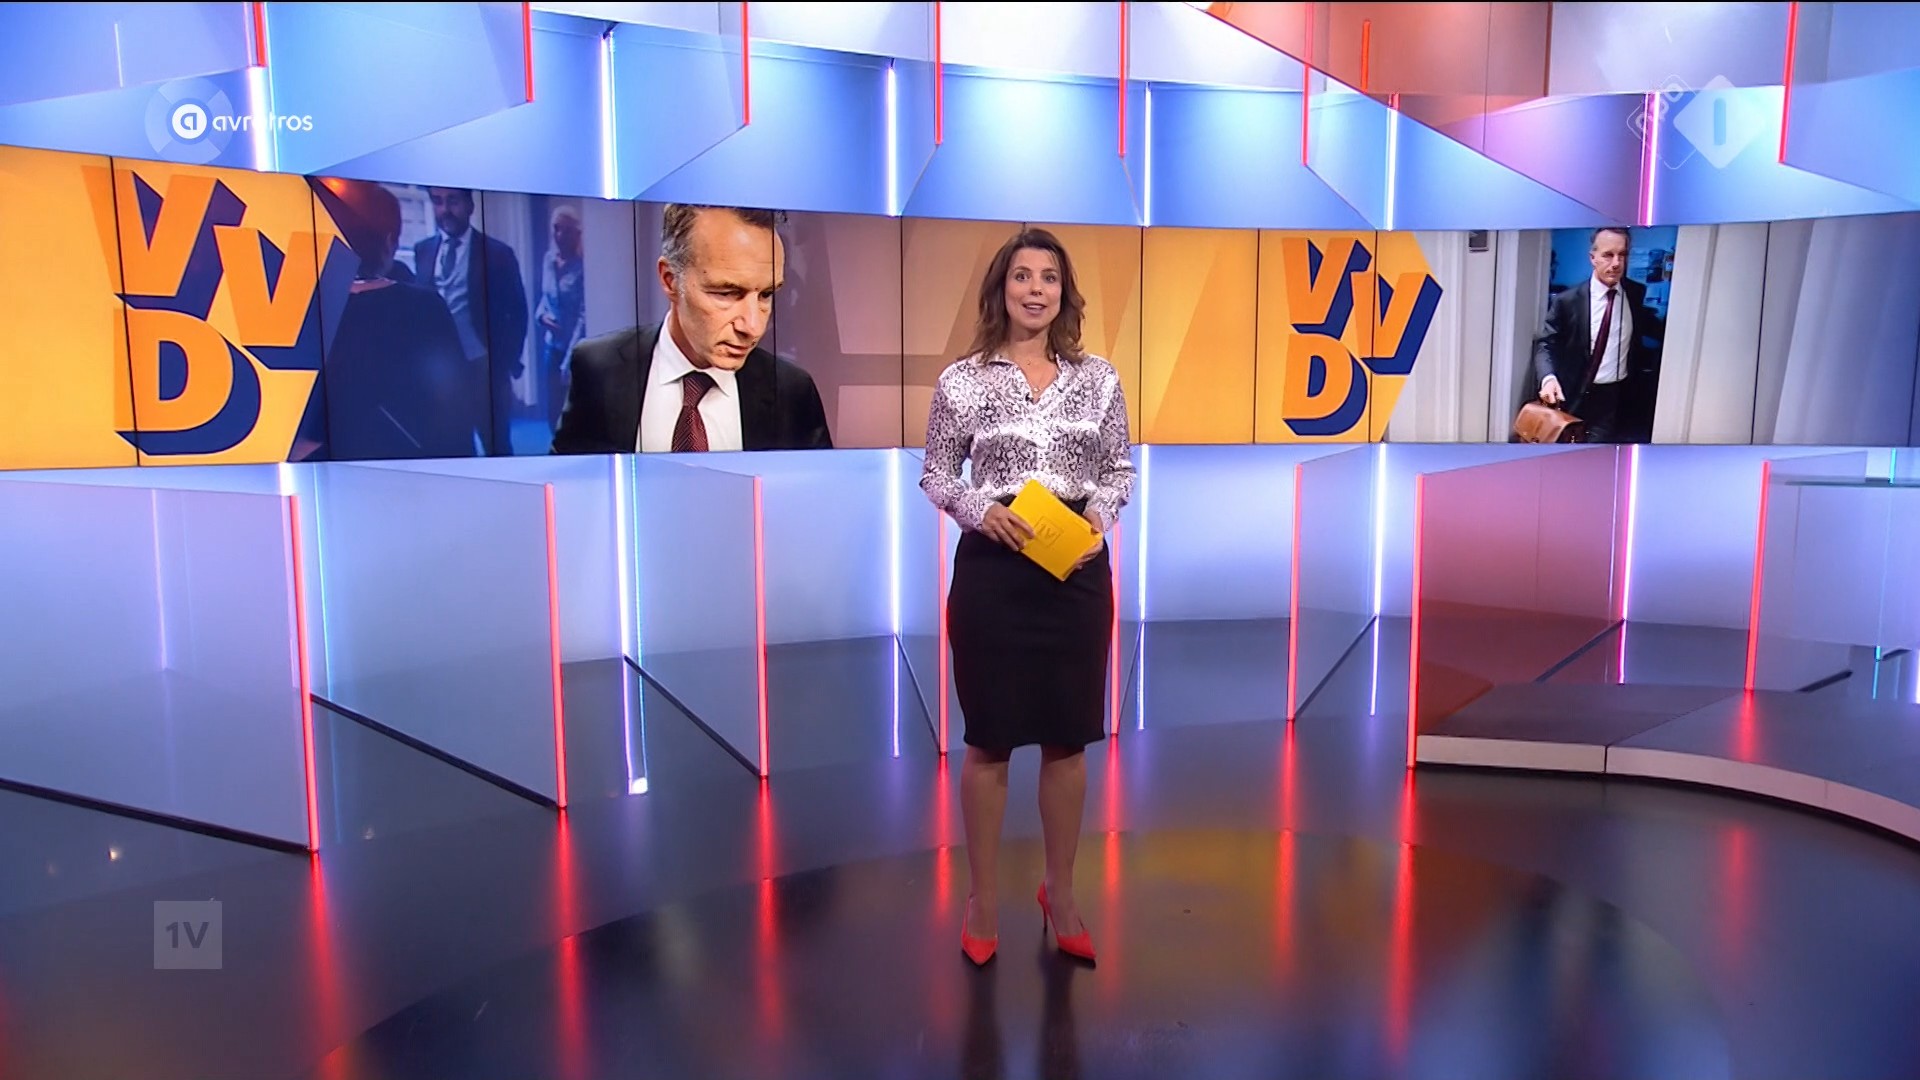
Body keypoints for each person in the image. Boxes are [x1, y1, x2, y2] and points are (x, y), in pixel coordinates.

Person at [920, 228, 1134, 967]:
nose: (1035, 289)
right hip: (995, 572)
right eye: (1021, 276)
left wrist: (1096, 520)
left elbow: (1119, 470)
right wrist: (980, 509)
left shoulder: (1099, 379)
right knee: (989, 740)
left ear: (1063, 293)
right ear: (1001, 289)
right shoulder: (962, 381)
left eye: (1048, 277)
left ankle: (1061, 893)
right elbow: (937, 472)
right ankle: (982, 901)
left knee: (1067, 740)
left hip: (1074, 572)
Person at [550, 204, 833, 454]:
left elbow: (818, 496)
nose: (753, 327)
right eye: (727, 293)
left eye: (766, 294)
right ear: (670, 280)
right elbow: (567, 486)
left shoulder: (794, 393)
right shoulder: (597, 368)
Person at [415, 187, 529, 453]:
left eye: (453, 201)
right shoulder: (423, 250)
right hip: (441, 373)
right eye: (438, 202)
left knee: (496, 446)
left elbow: (518, 312)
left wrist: (506, 362)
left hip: (484, 368)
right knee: (453, 447)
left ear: (470, 205)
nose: (445, 210)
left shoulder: (497, 253)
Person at [1531, 226, 1658, 443]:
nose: (1616, 263)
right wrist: (1548, 379)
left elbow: (1644, 333)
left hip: (1616, 396)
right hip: (1573, 393)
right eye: (1608, 255)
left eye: (1622, 255)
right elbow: (1546, 344)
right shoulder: (1567, 301)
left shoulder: (1635, 293)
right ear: (1593, 258)